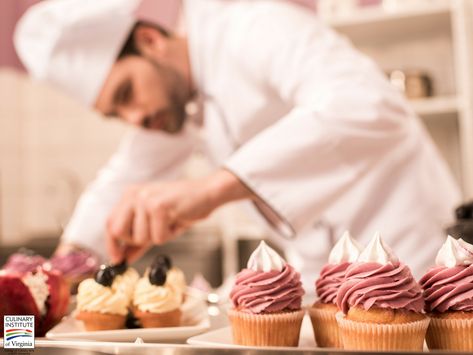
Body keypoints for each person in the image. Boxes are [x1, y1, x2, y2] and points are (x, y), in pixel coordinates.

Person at [14, 0, 460, 284]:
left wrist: (209, 191)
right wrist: (42, 284)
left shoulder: (252, 26)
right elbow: (120, 182)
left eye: (127, 94)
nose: (135, 119)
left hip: (415, 261)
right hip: (322, 280)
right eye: (116, 114)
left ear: (151, 40)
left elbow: (367, 104)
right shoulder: (174, 107)